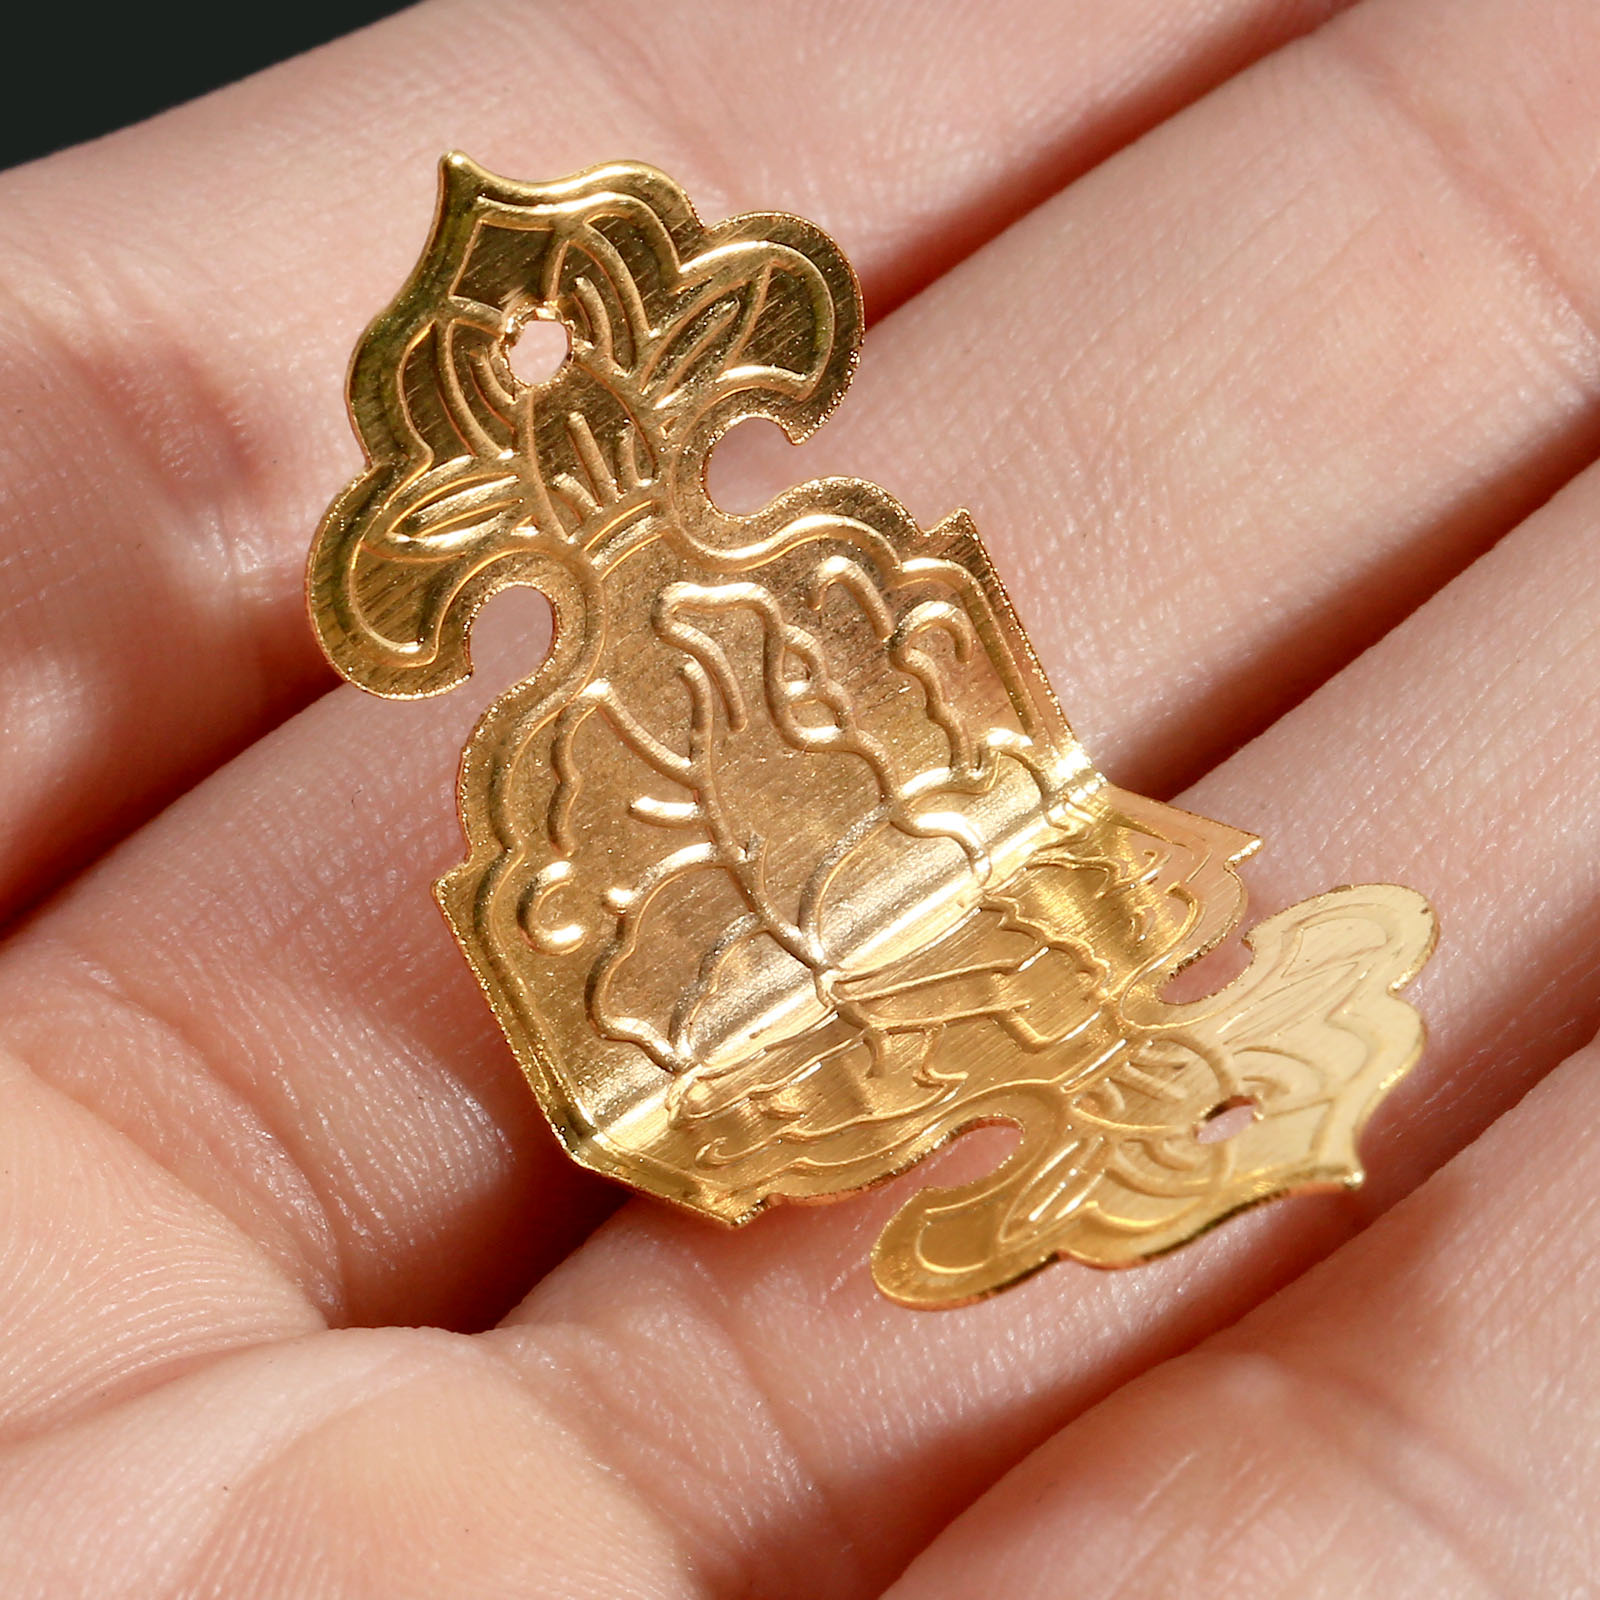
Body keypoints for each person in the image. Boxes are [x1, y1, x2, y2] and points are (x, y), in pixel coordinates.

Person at [0, 0, 1591, 1593]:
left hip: (951, 896)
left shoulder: (808, 613)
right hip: (779, 1011)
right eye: (1190, 1096)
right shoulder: (643, 719)